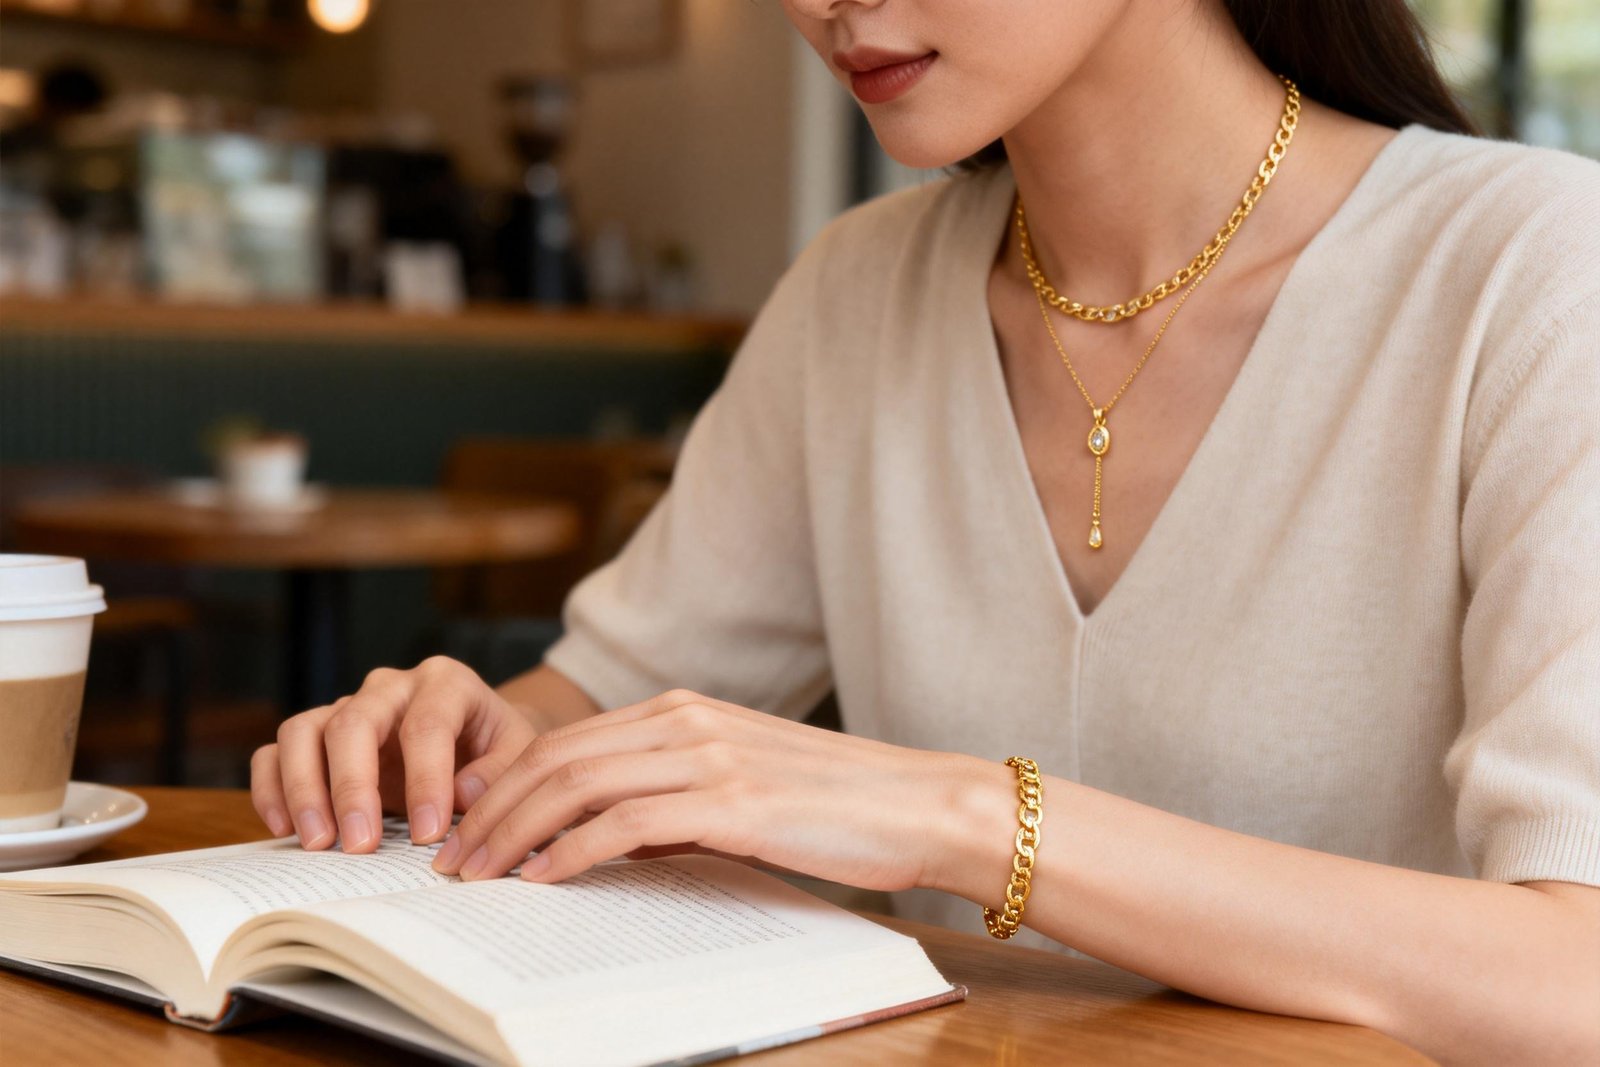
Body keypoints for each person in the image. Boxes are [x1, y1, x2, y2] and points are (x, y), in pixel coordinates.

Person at [251, 1, 1600, 1061]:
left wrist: (966, 820)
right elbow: (604, 694)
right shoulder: (857, 290)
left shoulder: (1535, 269)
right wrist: (468, 739)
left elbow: (1573, 980)